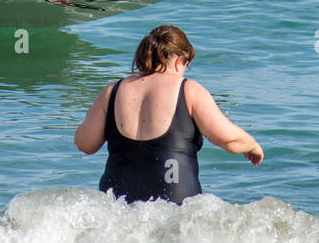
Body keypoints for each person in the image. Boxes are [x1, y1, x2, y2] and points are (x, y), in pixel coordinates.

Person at [75, 25, 263, 205]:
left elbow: (85, 144)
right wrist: (252, 145)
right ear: (179, 60)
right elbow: (227, 138)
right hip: (173, 202)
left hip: (117, 199)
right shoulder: (188, 90)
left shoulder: (111, 92)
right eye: (186, 65)